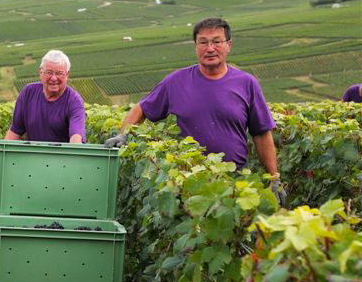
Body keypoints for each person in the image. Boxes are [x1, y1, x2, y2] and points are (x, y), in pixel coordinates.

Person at [105, 18, 286, 205]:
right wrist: (124, 134)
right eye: (203, 42)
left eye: (217, 41)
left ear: (229, 45)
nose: (210, 48)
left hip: (234, 184)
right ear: (195, 46)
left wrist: (274, 178)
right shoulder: (176, 81)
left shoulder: (246, 83)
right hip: (189, 184)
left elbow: (262, 133)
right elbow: (142, 108)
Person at [5, 49, 86, 143]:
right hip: (33, 156)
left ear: (67, 75)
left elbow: (76, 138)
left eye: (59, 73)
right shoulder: (28, 93)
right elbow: (14, 131)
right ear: (41, 72)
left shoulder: (74, 101)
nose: (54, 78)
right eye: (49, 72)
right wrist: (2, 154)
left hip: (62, 157)